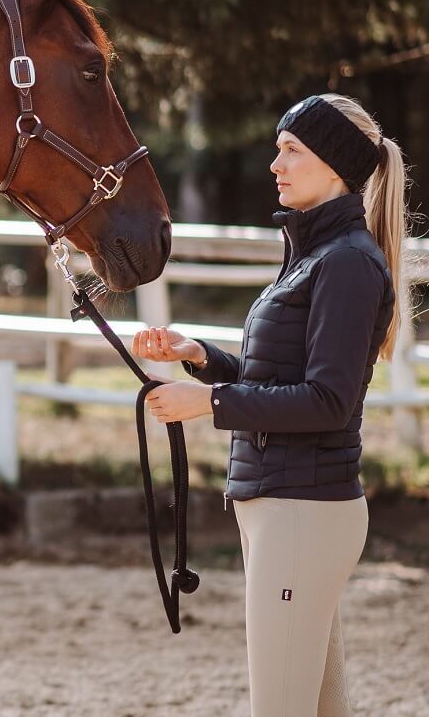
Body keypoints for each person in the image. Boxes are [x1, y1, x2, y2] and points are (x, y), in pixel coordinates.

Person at [131, 93, 412, 716]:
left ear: (335, 167)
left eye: (292, 151)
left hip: (301, 513)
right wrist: (202, 355)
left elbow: (327, 402)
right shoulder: (313, 256)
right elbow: (279, 378)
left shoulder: (344, 264)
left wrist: (208, 402)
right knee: (320, 708)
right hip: (286, 509)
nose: (274, 165)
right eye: (278, 149)